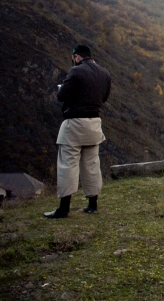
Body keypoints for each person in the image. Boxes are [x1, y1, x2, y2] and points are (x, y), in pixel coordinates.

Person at [44, 44, 112, 218]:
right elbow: (104, 97)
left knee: (68, 164)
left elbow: (62, 96)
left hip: (75, 122)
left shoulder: (75, 72)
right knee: (91, 165)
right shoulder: (104, 73)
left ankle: (64, 208)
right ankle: (92, 205)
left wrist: (62, 89)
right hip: (94, 123)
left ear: (76, 57)